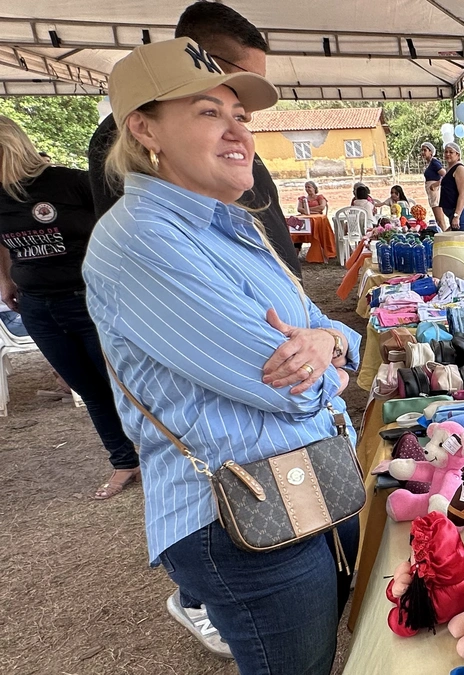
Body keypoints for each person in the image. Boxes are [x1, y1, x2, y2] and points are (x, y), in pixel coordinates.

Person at [88, 38, 361, 674]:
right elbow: (285, 385)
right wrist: (336, 368)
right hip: (238, 511)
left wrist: (326, 344)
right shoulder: (140, 238)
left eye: (241, 115)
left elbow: (323, 326)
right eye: (209, 112)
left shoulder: (232, 225)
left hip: (302, 480)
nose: (238, 130)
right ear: (144, 127)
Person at [85, 2, 302, 279]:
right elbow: (154, 255)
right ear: (201, 61)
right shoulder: (122, 139)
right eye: (241, 76)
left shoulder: (226, 133)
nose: (246, 115)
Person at [0, 115, 141, 498]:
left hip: (90, 301)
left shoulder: (70, 183)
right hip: (38, 308)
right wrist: (7, 279)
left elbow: (122, 224)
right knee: (89, 389)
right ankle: (124, 462)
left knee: (127, 386)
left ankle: (167, 457)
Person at [438, 143, 464, 230]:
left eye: (451, 152)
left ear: (458, 155)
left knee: (460, 242)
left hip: (459, 212)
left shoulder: (460, 169)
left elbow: (463, 194)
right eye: (446, 152)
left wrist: (457, 216)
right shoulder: (449, 169)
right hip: (452, 212)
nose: (447, 154)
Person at [421, 141, 445, 218]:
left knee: (439, 218)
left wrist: (435, 185)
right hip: (431, 192)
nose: (423, 152)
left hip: (435, 192)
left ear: (430, 151)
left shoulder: (434, 162)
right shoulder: (429, 163)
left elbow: (445, 175)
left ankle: (443, 230)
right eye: (422, 150)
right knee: (437, 218)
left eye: (425, 150)